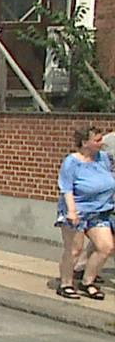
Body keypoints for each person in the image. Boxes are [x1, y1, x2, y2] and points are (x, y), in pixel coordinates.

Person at [55, 125, 113, 299]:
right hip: (77, 211)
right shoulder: (72, 161)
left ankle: (88, 281)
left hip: (99, 212)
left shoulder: (103, 158)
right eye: (97, 140)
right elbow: (66, 188)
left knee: (105, 247)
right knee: (74, 250)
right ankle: (66, 283)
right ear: (85, 142)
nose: (101, 143)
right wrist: (72, 211)